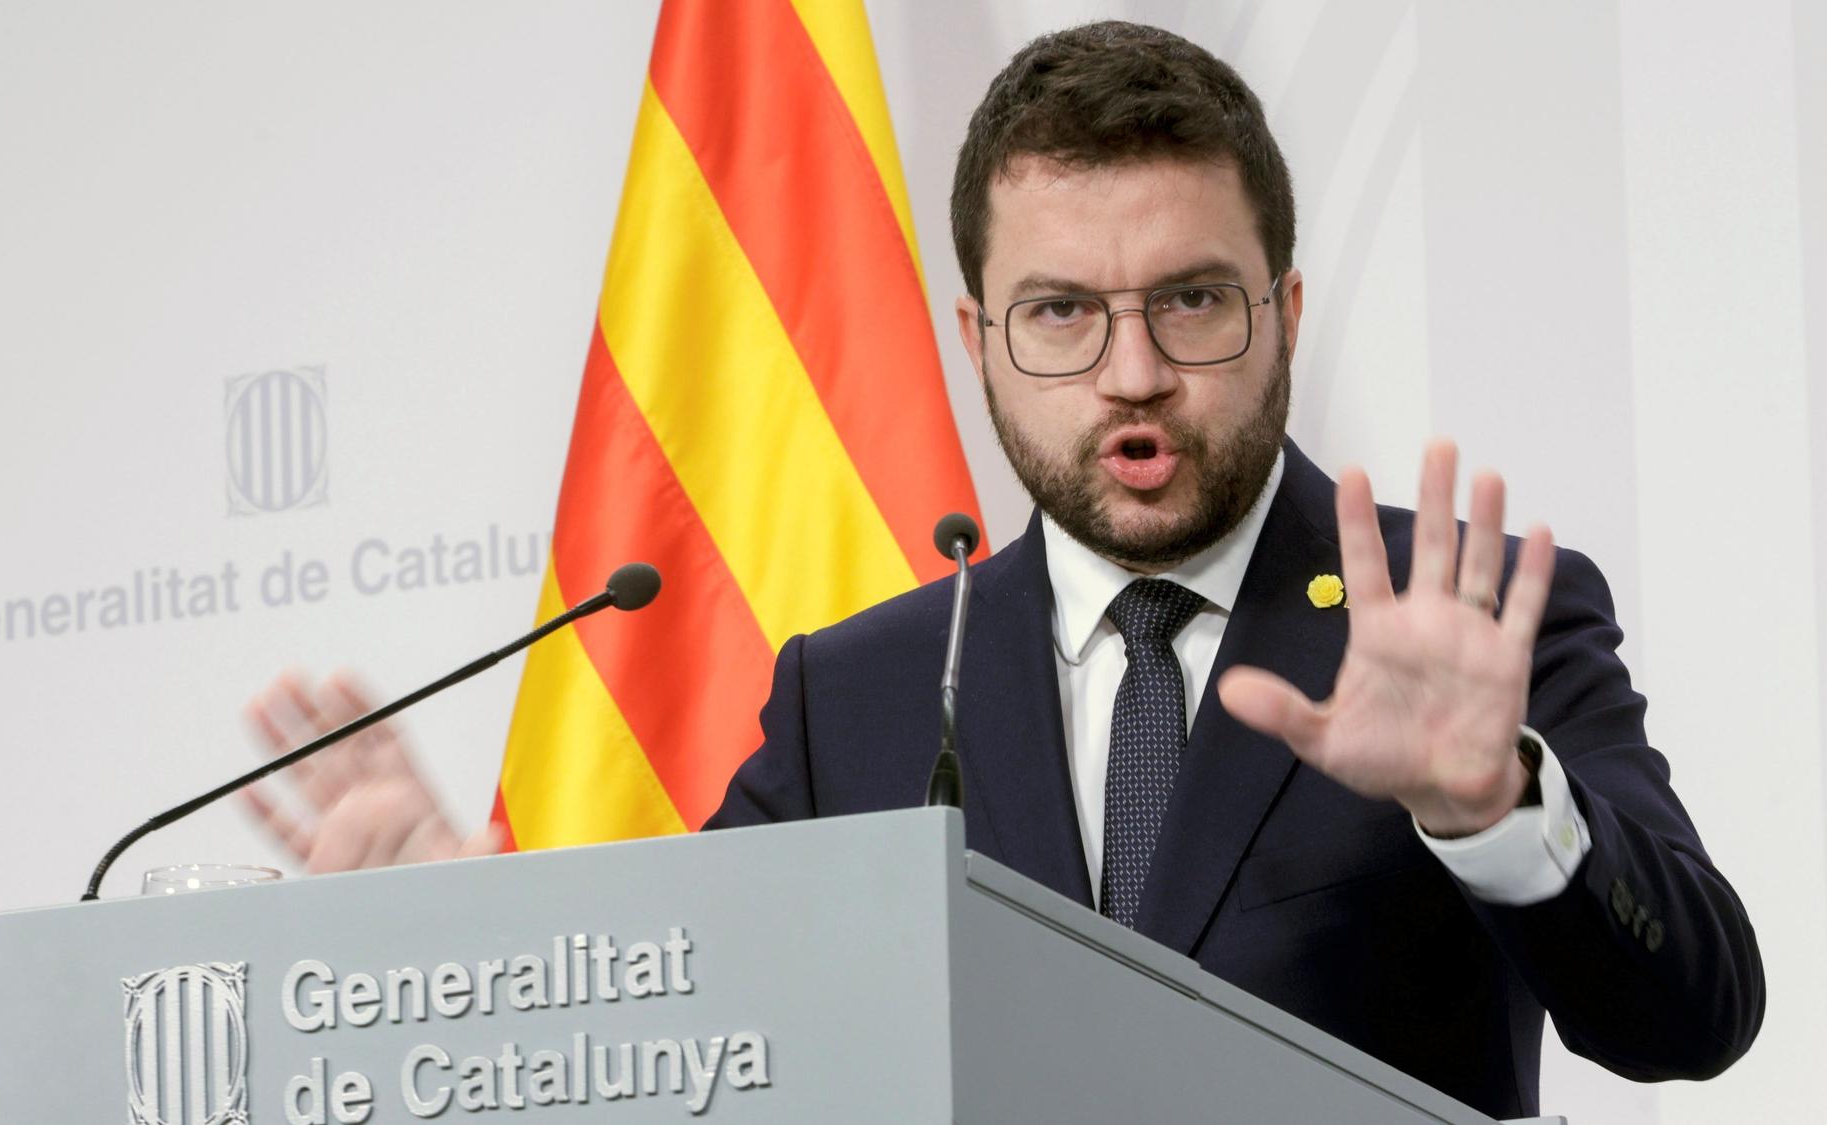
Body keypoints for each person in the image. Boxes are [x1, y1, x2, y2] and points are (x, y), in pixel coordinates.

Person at [243, 21, 1763, 1119]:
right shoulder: (862, 693)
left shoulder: (1461, 625)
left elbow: (1694, 1015)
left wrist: (1490, 803)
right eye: (1060, 315)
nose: (1133, 374)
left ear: (1287, 309)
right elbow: (694, 1031)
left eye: (1194, 302)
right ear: (977, 341)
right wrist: (464, 937)